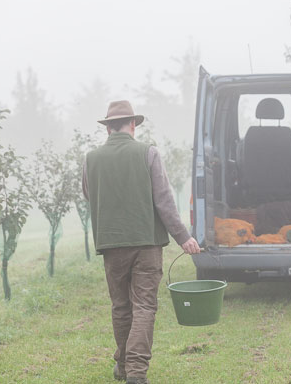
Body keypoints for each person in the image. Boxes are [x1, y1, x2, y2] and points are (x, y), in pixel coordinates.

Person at [82, 100, 200, 384]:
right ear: (133, 124)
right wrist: (183, 237)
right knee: (144, 306)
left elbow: (89, 194)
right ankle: (135, 372)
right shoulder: (148, 153)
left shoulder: (91, 158)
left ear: (108, 127)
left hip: (111, 245)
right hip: (146, 244)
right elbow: (164, 201)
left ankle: (123, 367)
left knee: (121, 306)